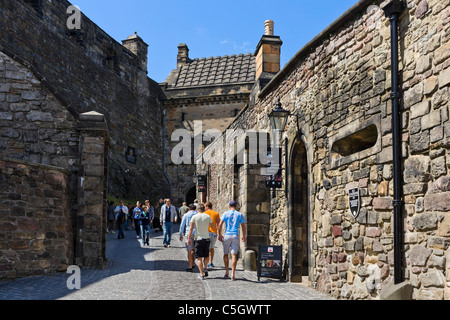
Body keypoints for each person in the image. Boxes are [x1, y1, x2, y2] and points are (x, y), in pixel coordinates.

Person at [218, 201, 246, 280]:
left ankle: (227, 271)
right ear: (236, 206)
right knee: (234, 255)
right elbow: (243, 226)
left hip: (227, 235)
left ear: (229, 206)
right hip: (235, 235)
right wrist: (243, 236)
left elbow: (220, 224)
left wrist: (219, 234)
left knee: (226, 254)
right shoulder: (239, 214)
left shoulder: (225, 214)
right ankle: (233, 274)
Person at [187, 203, 214, 280]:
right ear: (204, 209)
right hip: (206, 238)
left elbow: (191, 229)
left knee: (199, 258)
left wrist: (189, 239)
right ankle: (205, 268)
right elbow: (213, 226)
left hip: (198, 239)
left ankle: (201, 274)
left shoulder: (194, 217)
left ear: (197, 209)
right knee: (206, 255)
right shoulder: (208, 216)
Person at [179, 204, 197, 271]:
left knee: (189, 249)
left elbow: (182, 225)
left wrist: (180, 234)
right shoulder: (197, 214)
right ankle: (194, 262)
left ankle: (190, 265)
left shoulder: (186, 215)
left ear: (189, 209)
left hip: (188, 233)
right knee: (194, 249)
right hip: (196, 233)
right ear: (195, 209)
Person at [204, 201, 220, 269]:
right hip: (214, 232)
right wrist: (220, 233)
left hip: (206, 232)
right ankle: (210, 262)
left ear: (207, 206)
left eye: (205, 207)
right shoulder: (216, 213)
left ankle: (206, 263)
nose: (204, 208)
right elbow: (218, 224)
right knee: (212, 248)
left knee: (206, 248)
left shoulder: (204, 213)